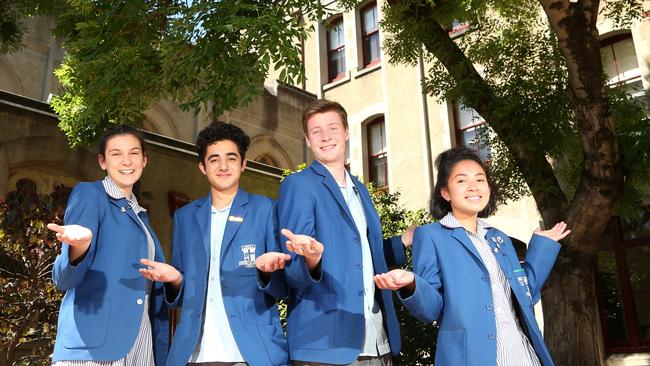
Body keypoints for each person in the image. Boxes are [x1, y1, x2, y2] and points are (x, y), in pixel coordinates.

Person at [373, 147, 570, 366]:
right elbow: (431, 310)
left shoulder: (499, 238)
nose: (473, 187)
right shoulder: (430, 236)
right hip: (471, 357)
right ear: (445, 192)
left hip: (523, 354)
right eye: (461, 181)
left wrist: (542, 247)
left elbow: (525, 295)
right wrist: (411, 283)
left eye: (480, 179)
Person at [138, 121, 291, 366]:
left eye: (231, 158)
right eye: (214, 159)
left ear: (243, 164)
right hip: (195, 354)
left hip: (251, 353)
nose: (223, 166)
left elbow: (281, 289)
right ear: (202, 166)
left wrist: (266, 272)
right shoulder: (185, 217)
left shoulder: (265, 209)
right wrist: (176, 281)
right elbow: (180, 296)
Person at [276, 99, 413, 365]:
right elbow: (294, 270)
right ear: (307, 140)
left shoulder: (360, 190)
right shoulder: (299, 185)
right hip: (324, 343)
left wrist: (405, 241)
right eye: (316, 131)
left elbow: (360, 254)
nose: (326, 137)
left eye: (333, 128)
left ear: (347, 132)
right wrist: (311, 259)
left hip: (376, 340)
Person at [48, 125, 169, 365]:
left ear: (144, 160)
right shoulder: (90, 194)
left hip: (138, 338)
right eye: (116, 153)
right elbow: (63, 279)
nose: (126, 161)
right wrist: (78, 247)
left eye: (134, 153)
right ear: (103, 161)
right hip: (94, 342)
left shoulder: (140, 214)